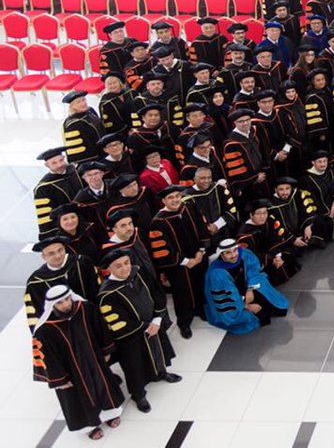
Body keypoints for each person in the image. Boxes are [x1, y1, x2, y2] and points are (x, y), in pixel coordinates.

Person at [31, 285, 125, 441]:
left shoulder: (85, 309)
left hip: (94, 360)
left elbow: (100, 328)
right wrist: (59, 380)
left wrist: (106, 350)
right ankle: (89, 426)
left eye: (67, 299)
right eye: (60, 303)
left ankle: (110, 414)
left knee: (103, 386)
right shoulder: (45, 330)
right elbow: (48, 358)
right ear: (52, 305)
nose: (66, 304)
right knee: (78, 398)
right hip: (71, 372)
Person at [96, 248, 181, 413]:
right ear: (109, 270)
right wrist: (148, 326)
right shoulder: (107, 294)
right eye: (119, 266)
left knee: (158, 351)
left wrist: (157, 319)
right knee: (134, 365)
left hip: (153, 324)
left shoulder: (138, 273)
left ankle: (161, 373)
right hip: (131, 337)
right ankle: (138, 394)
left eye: (127, 263)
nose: (125, 268)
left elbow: (156, 292)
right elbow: (117, 322)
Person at [146, 185, 207, 338]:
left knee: (200, 285)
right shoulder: (157, 222)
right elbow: (162, 250)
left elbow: (202, 228)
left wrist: (201, 250)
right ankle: (184, 322)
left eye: (177, 196)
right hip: (178, 266)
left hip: (198, 257)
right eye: (170, 198)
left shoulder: (189, 208)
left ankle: (201, 309)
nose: (175, 200)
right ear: (164, 201)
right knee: (182, 294)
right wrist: (186, 261)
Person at [205, 239, 289, 334]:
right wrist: (246, 306)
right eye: (228, 253)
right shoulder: (217, 274)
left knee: (279, 308)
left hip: (246, 288)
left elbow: (253, 271)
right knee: (257, 316)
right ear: (221, 255)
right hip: (233, 300)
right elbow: (226, 297)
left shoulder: (244, 255)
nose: (234, 255)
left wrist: (250, 288)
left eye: (235, 250)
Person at [24, 237, 101, 331]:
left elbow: (97, 290)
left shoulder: (82, 263)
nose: (58, 256)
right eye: (51, 253)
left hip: (91, 320)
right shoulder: (36, 282)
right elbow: (36, 313)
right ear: (44, 257)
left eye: (60, 250)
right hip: (63, 330)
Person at [35, 147, 83, 236]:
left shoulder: (77, 171)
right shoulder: (43, 188)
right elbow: (46, 217)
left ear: (64, 158)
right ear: (47, 165)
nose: (59, 165)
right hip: (69, 228)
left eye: (61, 160)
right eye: (54, 163)